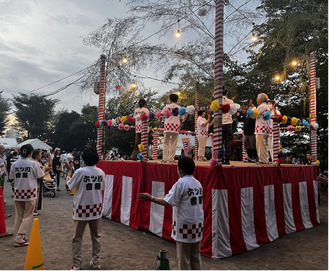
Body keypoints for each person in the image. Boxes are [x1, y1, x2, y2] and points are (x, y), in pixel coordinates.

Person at [138, 157, 204, 270]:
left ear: (181, 170)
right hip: (197, 224)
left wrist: (151, 198)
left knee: (184, 259)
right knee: (195, 257)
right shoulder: (197, 184)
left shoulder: (181, 183)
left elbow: (168, 202)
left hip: (185, 225)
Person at [66, 147, 105, 270]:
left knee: (77, 238)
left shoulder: (80, 172)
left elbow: (68, 187)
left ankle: (77, 265)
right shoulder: (101, 172)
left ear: (84, 160)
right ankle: (96, 262)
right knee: (96, 237)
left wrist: (68, 173)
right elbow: (102, 188)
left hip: (81, 209)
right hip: (96, 208)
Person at [9, 144, 44, 247]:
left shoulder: (15, 164)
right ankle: (20, 236)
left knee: (19, 214)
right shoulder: (33, 164)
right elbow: (40, 176)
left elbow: (11, 177)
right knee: (28, 215)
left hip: (18, 192)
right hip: (30, 192)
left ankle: (20, 235)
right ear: (31, 153)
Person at [161, 93, 186, 163]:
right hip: (175, 126)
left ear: (170, 99)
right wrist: (180, 124)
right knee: (173, 143)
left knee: (166, 142)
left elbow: (162, 115)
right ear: (177, 100)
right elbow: (181, 118)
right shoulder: (179, 108)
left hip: (167, 126)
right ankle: (171, 159)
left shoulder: (166, 107)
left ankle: (165, 158)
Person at [255, 93, 271, 165]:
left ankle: (263, 160)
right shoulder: (268, 106)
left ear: (260, 100)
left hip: (260, 128)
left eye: (257, 98)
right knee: (265, 145)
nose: (257, 99)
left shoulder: (260, 107)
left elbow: (254, 115)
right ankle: (266, 159)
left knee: (260, 144)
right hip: (266, 128)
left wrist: (250, 111)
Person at [222, 88, 234, 164]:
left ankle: (220, 158)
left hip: (220, 123)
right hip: (228, 123)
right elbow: (233, 112)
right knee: (228, 142)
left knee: (220, 142)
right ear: (226, 93)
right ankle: (227, 159)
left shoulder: (216, 102)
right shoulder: (230, 101)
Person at [32, 149, 44, 216]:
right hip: (36, 181)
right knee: (36, 195)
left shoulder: (36, 162)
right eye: (40, 154)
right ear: (37, 155)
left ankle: (35, 209)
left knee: (37, 195)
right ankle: (33, 209)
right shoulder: (36, 163)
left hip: (37, 181)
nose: (41, 155)